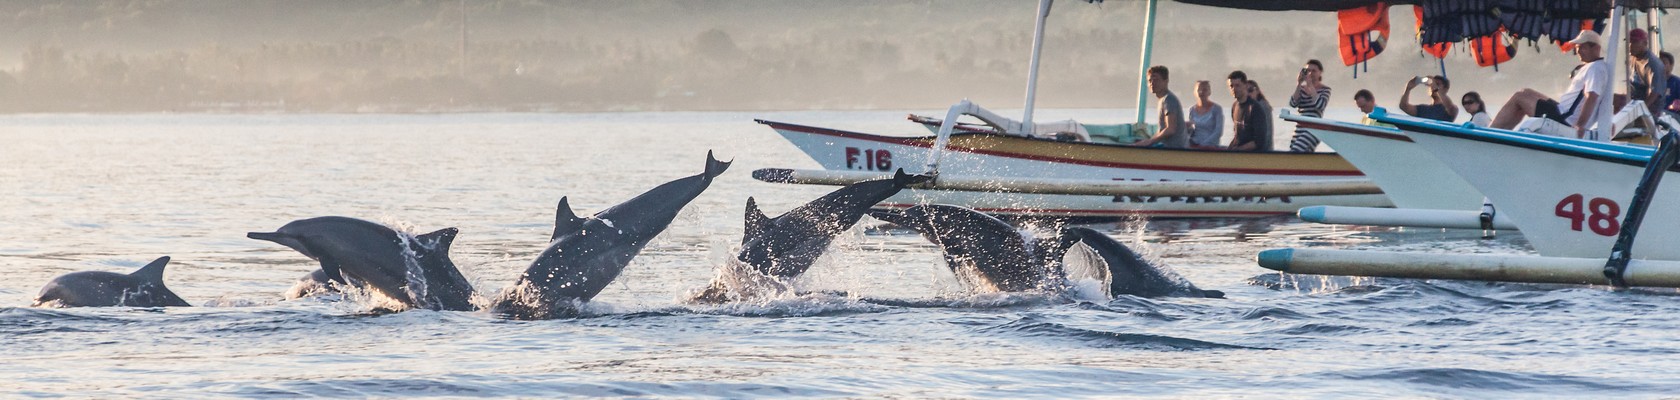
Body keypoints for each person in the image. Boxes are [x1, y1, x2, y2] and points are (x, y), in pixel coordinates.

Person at [1490, 30, 1610, 140]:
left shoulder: (1595, 68)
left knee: (1519, 97)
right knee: (1525, 92)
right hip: (1562, 111)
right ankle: (1500, 133)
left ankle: (1491, 134)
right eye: (1577, 47)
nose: (1578, 51)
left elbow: (1591, 96)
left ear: (1596, 48)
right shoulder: (1594, 67)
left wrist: (1580, 125)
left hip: (1565, 119)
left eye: (1582, 47)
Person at [1133, 65, 1188, 148]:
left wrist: (1150, 141)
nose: (1152, 83)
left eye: (1156, 80)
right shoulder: (1162, 100)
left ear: (1166, 81)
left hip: (1174, 148)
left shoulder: (1169, 99)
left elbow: (1170, 129)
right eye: (1150, 80)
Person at [1288, 60, 1332, 152]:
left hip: (1314, 129)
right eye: (1308, 70)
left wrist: (1310, 85)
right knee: (1294, 154)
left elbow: (1320, 105)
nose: (1310, 73)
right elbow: (1293, 103)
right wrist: (1299, 84)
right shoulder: (1302, 89)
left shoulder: (1325, 90)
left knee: (1297, 150)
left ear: (1320, 73)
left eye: (1314, 71)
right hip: (1300, 128)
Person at [1226, 71, 1272, 151]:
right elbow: (1237, 136)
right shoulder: (1235, 106)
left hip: (1253, 155)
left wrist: (1239, 150)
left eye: (1237, 85)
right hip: (1238, 153)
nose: (1234, 89)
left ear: (1245, 85)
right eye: (1231, 86)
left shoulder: (1255, 108)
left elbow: (1259, 141)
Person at [1625, 28, 1667, 115]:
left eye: (1635, 42)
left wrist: (1640, 110)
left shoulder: (1653, 64)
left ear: (1645, 43)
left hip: (1651, 111)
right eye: (1629, 42)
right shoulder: (1632, 59)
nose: (1630, 45)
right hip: (1634, 103)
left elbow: (1655, 93)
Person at [1186, 80, 1224, 148]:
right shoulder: (1192, 110)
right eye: (1199, 90)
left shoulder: (1217, 109)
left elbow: (1218, 132)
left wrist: (1204, 144)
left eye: (1204, 90)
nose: (1201, 92)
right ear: (1195, 92)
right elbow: (1192, 131)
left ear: (1209, 92)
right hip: (1194, 143)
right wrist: (1186, 128)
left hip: (1211, 146)